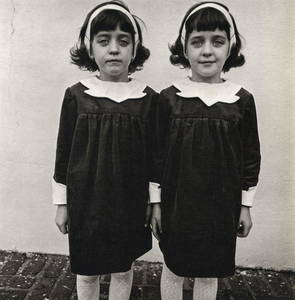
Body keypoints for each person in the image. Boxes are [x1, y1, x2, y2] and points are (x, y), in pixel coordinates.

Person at [151, 2, 261, 299]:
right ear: (184, 49)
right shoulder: (169, 98)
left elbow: (250, 158)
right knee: (174, 266)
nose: (207, 50)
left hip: (221, 205)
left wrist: (245, 206)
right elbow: (155, 157)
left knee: (210, 268)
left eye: (217, 41)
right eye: (197, 42)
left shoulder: (241, 100)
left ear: (230, 47)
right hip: (178, 203)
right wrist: (156, 204)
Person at [52, 1, 160, 299]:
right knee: (87, 269)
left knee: (122, 267)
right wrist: (62, 204)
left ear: (134, 49)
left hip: (129, 201)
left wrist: (154, 202)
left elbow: (155, 158)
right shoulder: (77, 96)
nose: (114, 49)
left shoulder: (147, 99)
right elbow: (64, 153)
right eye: (104, 40)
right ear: (90, 47)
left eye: (123, 41)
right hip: (87, 200)